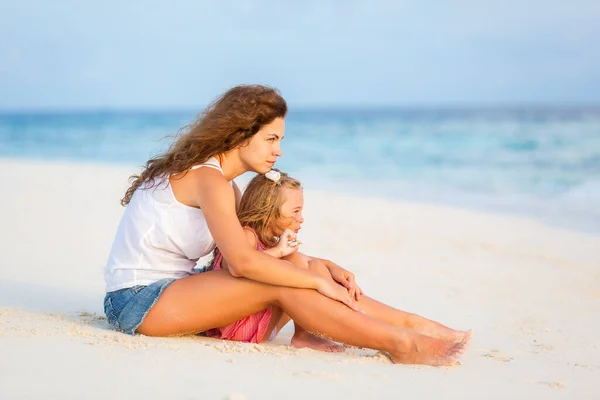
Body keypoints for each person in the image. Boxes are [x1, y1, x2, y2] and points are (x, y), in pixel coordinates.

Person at [103, 84, 468, 366]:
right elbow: (245, 265)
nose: (278, 150)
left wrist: (322, 267)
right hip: (136, 301)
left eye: (280, 140)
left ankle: (413, 324)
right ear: (240, 135)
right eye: (271, 138)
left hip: (176, 288)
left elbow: (249, 254)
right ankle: (403, 344)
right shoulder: (207, 180)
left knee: (294, 267)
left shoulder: (226, 187)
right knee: (284, 285)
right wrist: (316, 283)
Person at [203, 169, 471, 354]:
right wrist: (280, 253)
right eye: (295, 212)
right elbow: (235, 268)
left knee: (311, 266)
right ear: (267, 210)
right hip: (239, 328)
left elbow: (299, 263)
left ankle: (314, 331)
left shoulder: (271, 240)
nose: (301, 219)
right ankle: (396, 328)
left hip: (259, 322)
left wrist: (331, 268)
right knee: (298, 264)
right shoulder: (247, 235)